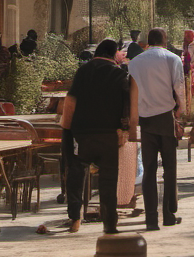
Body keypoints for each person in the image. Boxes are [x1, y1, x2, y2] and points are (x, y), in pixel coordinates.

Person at [60, 39, 136, 234]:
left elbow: (70, 102)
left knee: (76, 174)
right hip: (109, 136)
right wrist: (126, 132)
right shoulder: (120, 75)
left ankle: (75, 218)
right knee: (109, 181)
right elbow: (127, 107)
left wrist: (67, 132)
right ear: (113, 54)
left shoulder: (83, 72)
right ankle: (110, 224)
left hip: (82, 135)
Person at [126, 28, 184, 230]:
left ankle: (151, 218)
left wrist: (133, 125)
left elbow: (132, 94)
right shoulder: (172, 58)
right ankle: (168, 214)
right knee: (170, 169)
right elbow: (179, 88)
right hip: (165, 117)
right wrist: (180, 112)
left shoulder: (135, 62)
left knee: (149, 169)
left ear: (147, 42)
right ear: (165, 41)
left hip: (146, 120)